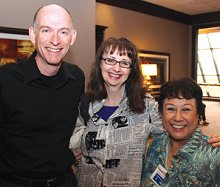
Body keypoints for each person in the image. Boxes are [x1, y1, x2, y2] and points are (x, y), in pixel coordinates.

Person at [0, 4, 84, 187]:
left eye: (63, 32)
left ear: (72, 37)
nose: (55, 41)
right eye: (46, 30)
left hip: (64, 181)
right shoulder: (5, 79)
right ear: (32, 34)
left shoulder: (77, 78)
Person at [77, 37, 163, 187]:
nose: (116, 68)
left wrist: (207, 143)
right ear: (100, 63)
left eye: (124, 63)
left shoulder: (147, 105)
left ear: (131, 69)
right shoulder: (87, 104)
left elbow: (171, 139)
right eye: (110, 60)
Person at [141, 78, 220, 186]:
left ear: (198, 114)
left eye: (186, 109)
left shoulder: (214, 155)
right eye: (171, 109)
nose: (178, 118)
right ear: (161, 113)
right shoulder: (154, 146)